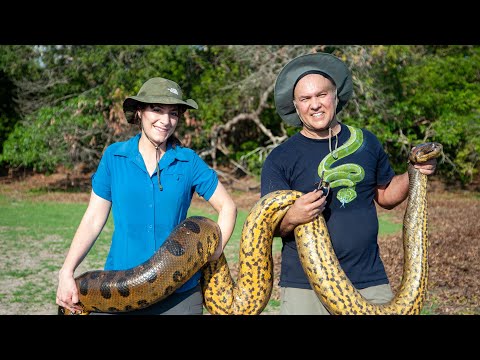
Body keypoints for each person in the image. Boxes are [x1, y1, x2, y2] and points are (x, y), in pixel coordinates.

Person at [260, 52, 438, 315]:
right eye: (305, 99)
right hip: (305, 286)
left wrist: (414, 171)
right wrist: (293, 217)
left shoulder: (366, 142)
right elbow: (269, 226)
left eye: (321, 95)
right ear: (296, 107)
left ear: (335, 96)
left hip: (368, 280)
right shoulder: (280, 157)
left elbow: (386, 195)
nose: (315, 105)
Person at [56, 77, 237, 315]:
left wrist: (214, 251)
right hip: (122, 288)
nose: (166, 120)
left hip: (180, 294)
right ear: (140, 111)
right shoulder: (114, 157)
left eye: (174, 113)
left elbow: (228, 207)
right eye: (157, 109)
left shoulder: (188, 160)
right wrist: (66, 271)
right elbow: (93, 219)